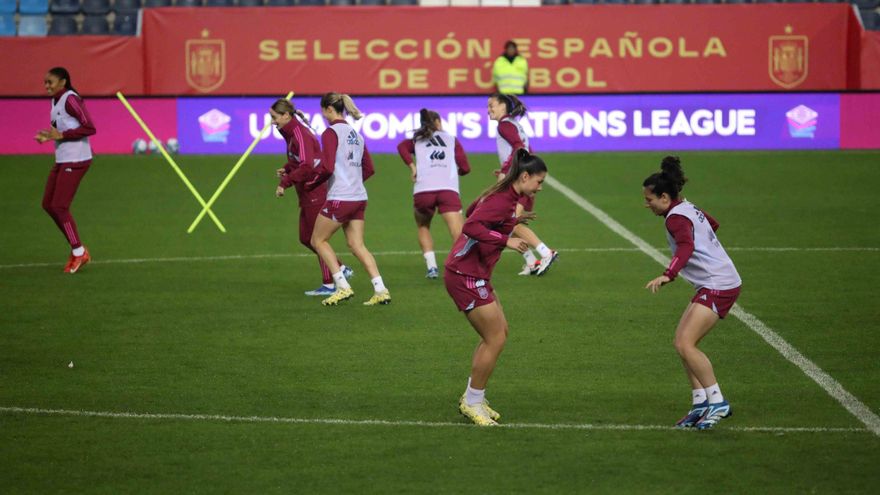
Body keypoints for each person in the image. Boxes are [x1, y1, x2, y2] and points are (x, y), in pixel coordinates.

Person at [445, 148, 546, 426]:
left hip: (475, 272)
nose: (539, 188)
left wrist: (511, 222)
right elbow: (471, 225)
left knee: (499, 332)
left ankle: (474, 397)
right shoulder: (503, 199)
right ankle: (472, 401)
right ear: (524, 176)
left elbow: (472, 209)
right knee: (495, 337)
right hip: (464, 274)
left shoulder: (504, 195)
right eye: (538, 182)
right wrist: (507, 239)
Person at [643, 156, 742, 430]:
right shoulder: (686, 207)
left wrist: (668, 273)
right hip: (715, 281)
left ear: (664, 197)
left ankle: (717, 402)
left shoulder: (675, 219)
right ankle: (700, 403)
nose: (646, 204)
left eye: (650, 199)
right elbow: (713, 224)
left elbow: (685, 246)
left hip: (718, 284)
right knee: (681, 343)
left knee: (687, 344)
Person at [307, 93, 390, 307]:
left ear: (328, 109)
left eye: (322, 110)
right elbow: (369, 168)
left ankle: (342, 286)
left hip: (340, 197)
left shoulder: (330, 133)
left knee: (317, 240)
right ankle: (380, 289)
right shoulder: (356, 134)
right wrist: (353, 181)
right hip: (359, 197)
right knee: (357, 245)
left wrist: (311, 184)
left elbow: (326, 167)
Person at [269, 99, 352, 296]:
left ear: (286, 116)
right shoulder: (291, 133)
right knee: (306, 237)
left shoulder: (299, 134)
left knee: (316, 239)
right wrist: (288, 168)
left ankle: (330, 283)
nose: (272, 122)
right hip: (306, 190)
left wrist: (285, 182)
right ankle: (339, 268)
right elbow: (302, 160)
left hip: (314, 189)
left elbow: (307, 166)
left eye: (274, 117)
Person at [488, 92, 558, 276]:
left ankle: (546, 253)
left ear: (503, 106)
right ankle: (531, 261)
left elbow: (518, 147)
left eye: (491, 105)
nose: (488, 110)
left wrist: (507, 171)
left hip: (519, 180)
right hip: (522, 177)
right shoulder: (514, 124)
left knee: (511, 223)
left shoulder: (504, 125)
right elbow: (527, 151)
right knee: (507, 222)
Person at [396, 108, 471, 279]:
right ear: (438, 122)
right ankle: (461, 267)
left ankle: (432, 267)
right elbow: (466, 168)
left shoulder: (417, 140)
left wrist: (412, 166)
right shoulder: (451, 139)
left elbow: (401, 146)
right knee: (457, 231)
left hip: (423, 190)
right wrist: (452, 171)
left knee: (423, 226)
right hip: (448, 189)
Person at [34, 67, 95, 274]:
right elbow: (60, 131)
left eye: (50, 82)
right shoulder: (56, 101)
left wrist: (61, 135)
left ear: (63, 81)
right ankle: (77, 248)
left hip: (77, 159)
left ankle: (79, 252)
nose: (47, 86)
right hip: (62, 159)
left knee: (59, 206)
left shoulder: (70, 99)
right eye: (45, 83)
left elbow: (90, 127)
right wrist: (49, 136)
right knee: (48, 205)